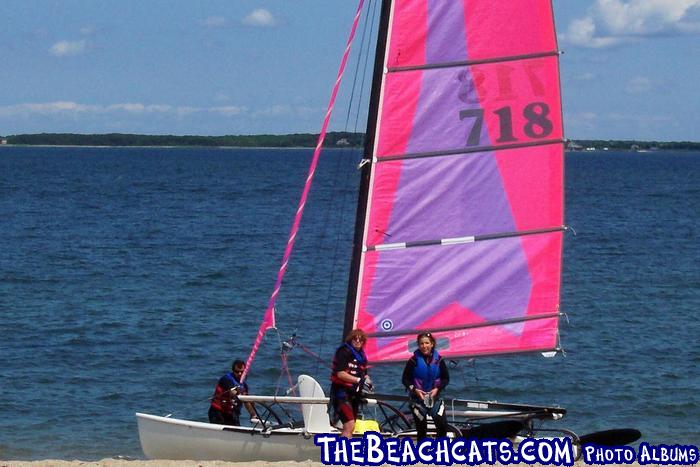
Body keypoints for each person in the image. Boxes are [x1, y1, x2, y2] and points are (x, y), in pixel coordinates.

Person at [402, 332, 450, 439]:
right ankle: (421, 452)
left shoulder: (439, 360)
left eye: (427, 343)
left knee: (442, 426)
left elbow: (446, 378)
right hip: (418, 400)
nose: (424, 346)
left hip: (434, 398)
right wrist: (415, 390)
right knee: (421, 429)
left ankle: (441, 451)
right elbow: (405, 379)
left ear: (432, 344)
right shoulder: (413, 361)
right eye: (421, 344)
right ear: (419, 345)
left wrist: (437, 389)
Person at [330, 328, 373, 438]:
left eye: (361, 340)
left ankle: (344, 449)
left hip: (353, 394)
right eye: (355, 339)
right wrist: (359, 380)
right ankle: (342, 452)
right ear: (350, 339)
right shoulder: (344, 352)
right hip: (341, 394)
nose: (358, 341)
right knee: (349, 425)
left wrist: (367, 381)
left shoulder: (361, 355)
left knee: (352, 425)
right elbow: (340, 374)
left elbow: (364, 372)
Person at [209, 359, 258, 426]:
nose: (239, 374)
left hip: (232, 414)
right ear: (233, 371)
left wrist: (253, 414)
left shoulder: (244, 385)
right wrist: (239, 391)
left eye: (242, 372)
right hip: (218, 412)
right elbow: (232, 392)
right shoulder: (226, 379)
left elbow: (246, 401)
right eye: (237, 372)